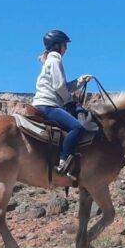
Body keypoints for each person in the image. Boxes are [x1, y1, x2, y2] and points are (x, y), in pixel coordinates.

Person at [33, 29, 92, 178]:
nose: (66, 49)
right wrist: (70, 101)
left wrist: (80, 81)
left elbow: (62, 85)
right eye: (65, 45)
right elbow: (60, 87)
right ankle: (63, 161)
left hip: (43, 103)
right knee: (77, 127)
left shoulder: (50, 61)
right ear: (57, 45)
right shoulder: (55, 60)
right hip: (48, 105)